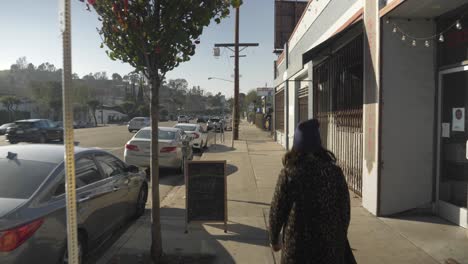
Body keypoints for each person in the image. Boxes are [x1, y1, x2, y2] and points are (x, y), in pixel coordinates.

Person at [269, 119, 356, 264]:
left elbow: (277, 211)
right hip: (330, 249)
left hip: (297, 250)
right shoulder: (334, 172)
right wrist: (339, 236)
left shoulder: (289, 173)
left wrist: (274, 240)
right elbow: (344, 210)